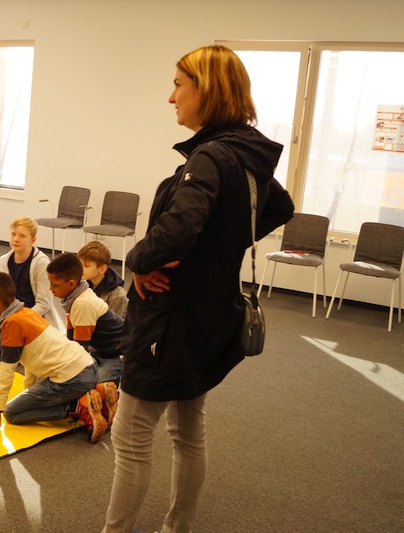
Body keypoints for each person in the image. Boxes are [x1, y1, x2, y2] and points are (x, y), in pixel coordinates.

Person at [102, 45, 294, 532]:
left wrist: (138, 262)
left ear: (205, 90)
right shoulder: (244, 153)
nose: (171, 97)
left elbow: (177, 229)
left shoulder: (210, 155)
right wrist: (217, 250)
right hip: (212, 313)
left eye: (178, 85)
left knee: (131, 436)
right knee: (188, 428)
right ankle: (178, 528)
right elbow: (280, 206)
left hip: (172, 320)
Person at [0, 272, 111, 443]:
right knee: (28, 401)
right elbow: (31, 361)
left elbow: (6, 372)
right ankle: (96, 396)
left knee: (12, 413)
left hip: (73, 379)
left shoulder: (11, 324)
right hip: (88, 367)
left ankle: (77, 407)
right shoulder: (26, 312)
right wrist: (30, 392)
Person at [46, 252, 123, 423]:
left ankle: (106, 404)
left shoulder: (82, 303)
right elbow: (71, 337)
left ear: (71, 283)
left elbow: (80, 350)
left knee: (83, 385)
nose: (50, 289)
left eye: (54, 285)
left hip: (117, 356)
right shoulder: (72, 298)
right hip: (99, 352)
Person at [0, 216, 62, 362]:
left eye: (22, 236)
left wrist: (18, 321)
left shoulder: (41, 263)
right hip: (7, 314)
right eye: (13, 234)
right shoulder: (3, 262)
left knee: (0, 353)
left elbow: (43, 304)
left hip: (29, 316)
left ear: (32, 240)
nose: (16, 239)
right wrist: (1, 318)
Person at [77, 240, 128, 319]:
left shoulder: (117, 296)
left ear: (102, 269)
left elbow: (114, 324)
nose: (80, 269)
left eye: (86, 266)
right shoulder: (82, 285)